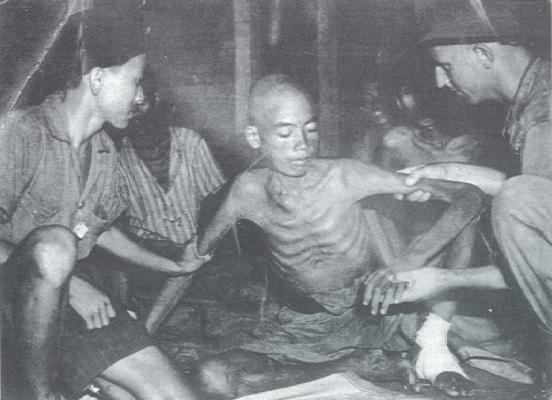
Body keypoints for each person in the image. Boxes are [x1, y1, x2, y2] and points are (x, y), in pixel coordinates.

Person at [193, 73, 484, 398]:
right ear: (254, 136)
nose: (302, 145)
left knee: (466, 219)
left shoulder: (344, 175)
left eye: (311, 128)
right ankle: (350, 366)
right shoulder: (247, 190)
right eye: (286, 133)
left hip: (375, 307)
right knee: (212, 378)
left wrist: (408, 263)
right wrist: (141, 334)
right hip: (306, 324)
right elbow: (192, 259)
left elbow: (469, 196)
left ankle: (433, 343)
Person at [0, 5, 203, 400]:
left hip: (64, 315)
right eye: (135, 81)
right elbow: (51, 258)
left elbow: (99, 231)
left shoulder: (106, 152)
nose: (141, 96)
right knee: (56, 247)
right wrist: (68, 281)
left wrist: (174, 264)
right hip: (9, 314)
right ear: (97, 78)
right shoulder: (22, 134)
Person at [363, 1, 551, 398]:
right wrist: (444, 172)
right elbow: (536, 193)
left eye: (445, 66)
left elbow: (529, 215)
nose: (440, 80)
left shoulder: (545, 116)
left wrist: (445, 280)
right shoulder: (537, 94)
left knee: (515, 202)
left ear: (482, 54)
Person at [104, 68, 226, 333]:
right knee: (116, 263)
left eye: (142, 105)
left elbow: (216, 206)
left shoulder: (190, 143)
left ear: (157, 102)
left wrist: (195, 246)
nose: (136, 116)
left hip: (193, 248)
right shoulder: (116, 158)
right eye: (130, 110)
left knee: (198, 257)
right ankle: (127, 323)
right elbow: (115, 226)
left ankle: (143, 333)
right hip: (146, 254)